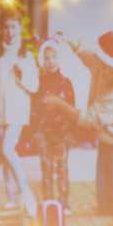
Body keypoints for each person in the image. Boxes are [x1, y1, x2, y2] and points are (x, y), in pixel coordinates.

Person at [43, 31, 113, 214]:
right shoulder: (101, 64)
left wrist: (59, 104)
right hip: (106, 142)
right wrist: (68, 38)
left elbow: (88, 120)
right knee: (104, 203)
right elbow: (85, 54)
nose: (96, 62)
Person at [0, 8, 39, 217]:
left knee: (8, 149)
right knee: (4, 155)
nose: (9, 31)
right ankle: (11, 198)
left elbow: (34, 86)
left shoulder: (25, 55)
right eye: (6, 27)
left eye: (13, 27)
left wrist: (21, 74)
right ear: (1, 29)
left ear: (20, 28)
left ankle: (26, 192)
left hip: (17, 109)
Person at [31, 39, 76, 214]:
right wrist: (35, 132)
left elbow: (72, 110)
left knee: (62, 168)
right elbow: (34, 108)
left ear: (60, 59)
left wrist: (70, 132)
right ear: (43, 60)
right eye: (47, 58)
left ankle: (64, 203)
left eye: (54, 57)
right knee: (46, 168)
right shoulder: (39, 83)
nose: (50, 61)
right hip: (43, 132)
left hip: (62, 133)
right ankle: (49, 202)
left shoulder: (67, 83)